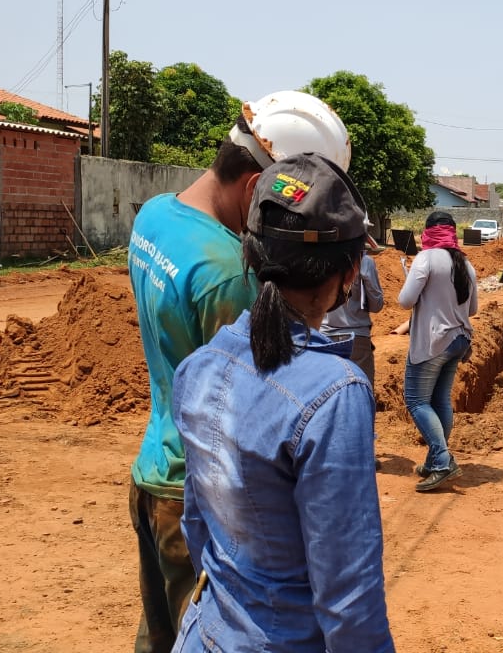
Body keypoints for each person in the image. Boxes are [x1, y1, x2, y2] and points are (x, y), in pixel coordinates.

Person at [126, 90, 353, 653]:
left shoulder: (155, 215)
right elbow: (254, 400)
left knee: (161, 635)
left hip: (153, 468)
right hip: (196, 492)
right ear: (256, 187)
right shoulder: (227, 273)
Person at [172, 152, 394, 652]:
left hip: (205, 634)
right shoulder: (335, 392)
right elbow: (348, 596)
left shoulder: (197, 368)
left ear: (250, 254)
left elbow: (196, 524)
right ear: (352, 269)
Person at [397, 211, 478, 492]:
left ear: (427, 233)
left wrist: (420, 290)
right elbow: (474, 309)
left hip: (433, 342)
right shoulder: (466, 264)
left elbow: (405, 302)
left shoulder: (426, 259)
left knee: (417, 401)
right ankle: (434, 461)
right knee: (440, 399)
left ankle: (443, 462)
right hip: (459, 340)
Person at [320, 220, 385, 386]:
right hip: (357, 339)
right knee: (361, 393)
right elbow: (377, 305)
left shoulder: (320, 257)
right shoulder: (365, 261)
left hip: (325, 337)